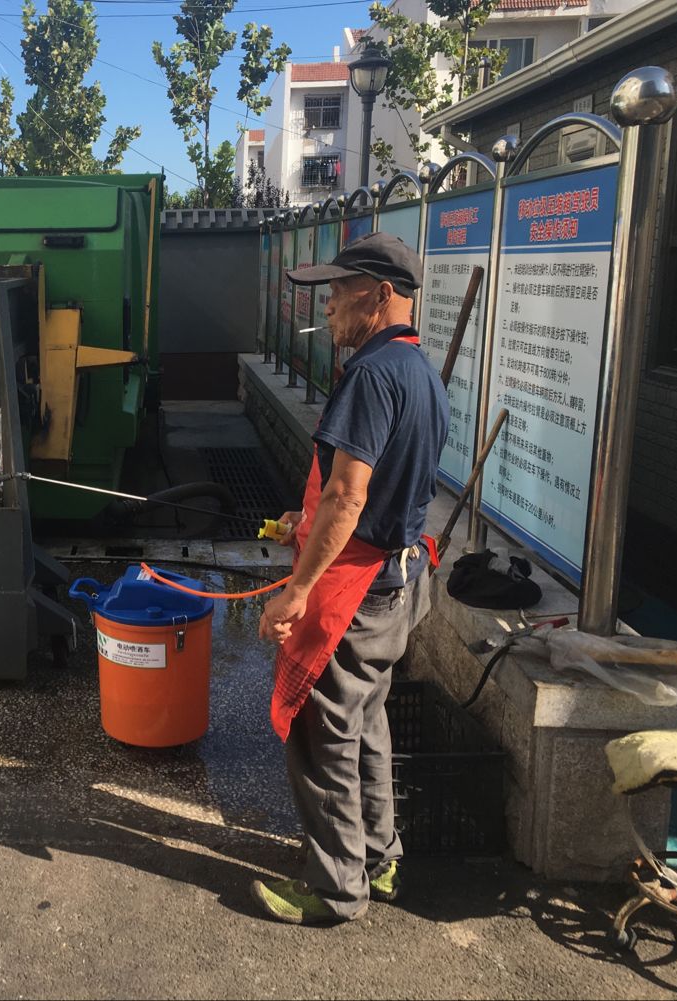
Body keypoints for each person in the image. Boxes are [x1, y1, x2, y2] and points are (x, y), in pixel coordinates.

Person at [252, 232, 449, 925]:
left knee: (323, 731)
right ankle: (379, 856)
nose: (328, 302)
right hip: (400, 580)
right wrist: (301, 523)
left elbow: (347, 496)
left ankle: (338, 887)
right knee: (365, 722)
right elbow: (385, 488)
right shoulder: (418, 370)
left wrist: (297, 589)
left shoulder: (370, 375)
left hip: (355, 590)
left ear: (382, 294)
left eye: (340, 289)